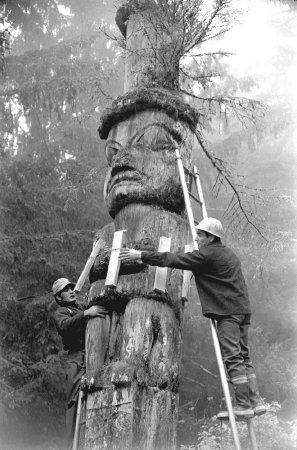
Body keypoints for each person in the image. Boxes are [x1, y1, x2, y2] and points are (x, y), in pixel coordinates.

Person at [119, 217, 267, 420]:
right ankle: (255, 401)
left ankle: (243, 404)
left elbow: (173, 259)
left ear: (210, 237)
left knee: (232, 358)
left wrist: (141, 255)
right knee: (243, 357)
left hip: (228, 313)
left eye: (200, 235)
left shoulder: (206, 255)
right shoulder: (229, 254)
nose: (197, 238)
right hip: (242, 311)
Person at [52, 278, 108, 449]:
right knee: (74, 403)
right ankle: (70, 446)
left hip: (93, 354)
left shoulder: (81, 307)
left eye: (71, 287)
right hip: (76, 359)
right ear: (59, 297)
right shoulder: (61, 312)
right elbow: (64, 326)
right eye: (65, 289)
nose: (70, 290)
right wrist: (86, 314)